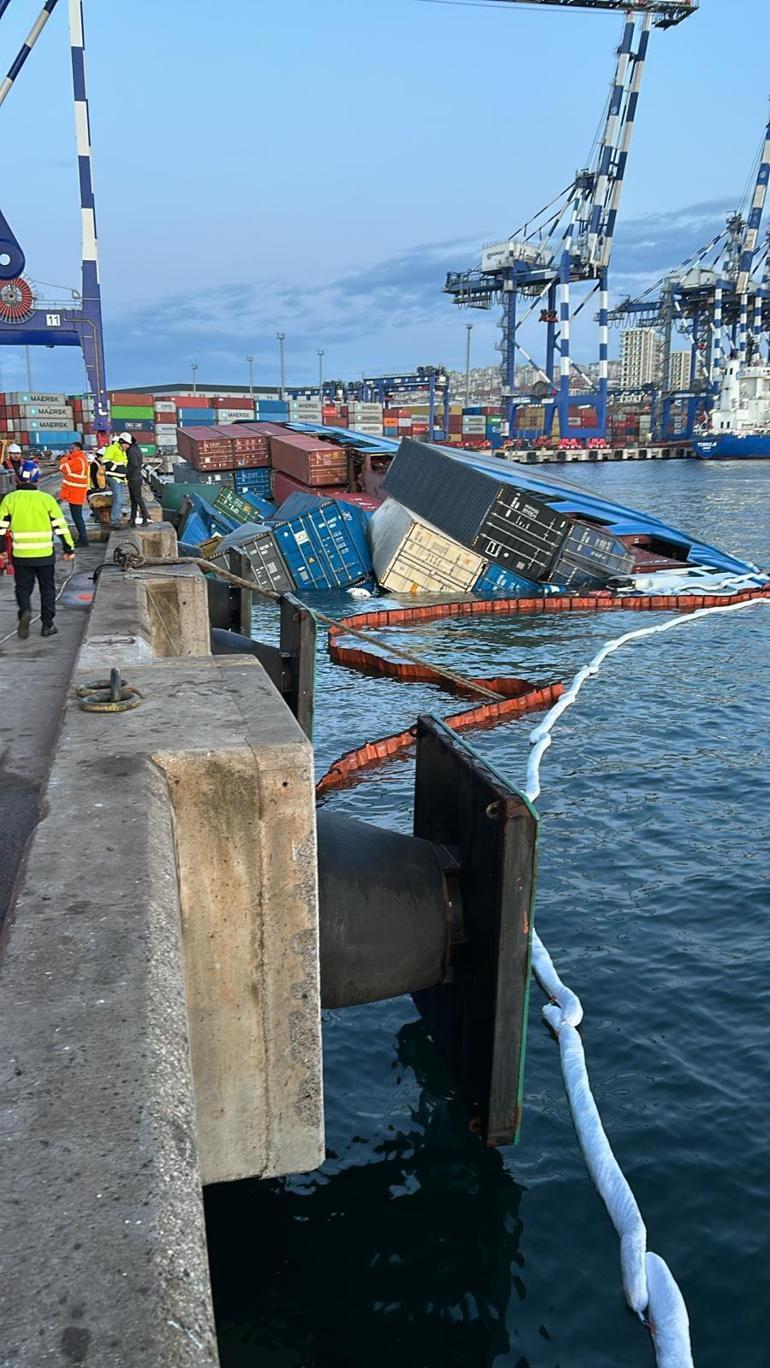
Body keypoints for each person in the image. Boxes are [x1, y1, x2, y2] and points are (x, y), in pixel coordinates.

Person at [0, 460, 75, 638]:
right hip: (44, 555)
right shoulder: (46, 500)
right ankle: (47, 625)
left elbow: (1, 527)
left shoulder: (10, 499)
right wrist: (68, 548)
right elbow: (60, 526)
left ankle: (25, 610)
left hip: (21, 555)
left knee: (23, 588)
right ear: (37, 480)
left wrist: (2, 548)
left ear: (18, 479)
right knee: (47, 589)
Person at [58, 436, 90, 547]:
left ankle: (83, 539)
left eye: (72, 448)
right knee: (77, 516)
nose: (70, 450)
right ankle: (83, 538)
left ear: (77, 449)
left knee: (77, 517)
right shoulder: (79, 459)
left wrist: (64, 458)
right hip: (75, 492)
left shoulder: (78, 460)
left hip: (75, 493)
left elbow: (63, 468)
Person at [101, 435, 128, 528]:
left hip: (120, 479)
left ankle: (117, 518)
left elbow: (123, 464)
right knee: (119, 499)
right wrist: (115, 468)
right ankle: (114, 521)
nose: (128, 446)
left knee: (121, 500)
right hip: (113, 478)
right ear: (121, 442)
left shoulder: (122, 451)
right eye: (127, 444)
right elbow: (105, 461)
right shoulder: (112, 448)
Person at [124, 435, 150, 527]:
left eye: (123, 443)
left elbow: (134, 464)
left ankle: (145, 519)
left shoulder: (131, 451)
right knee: (134, 500)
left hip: (134, 478)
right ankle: (132, 520)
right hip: (137, 477)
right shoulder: (137, 449)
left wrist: (126, 473)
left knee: (138, 499)